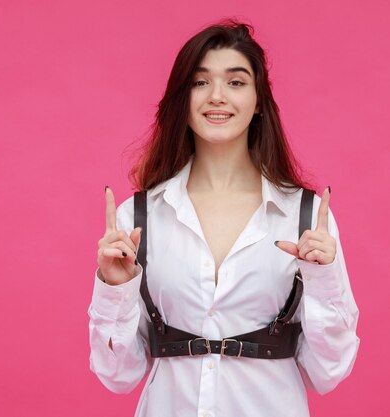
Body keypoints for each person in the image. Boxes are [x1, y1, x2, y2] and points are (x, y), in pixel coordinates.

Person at [88, 20, 359, 417]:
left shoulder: (305, 217)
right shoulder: (138, 218)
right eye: (200, 83)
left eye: (235, 82)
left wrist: (324, 278)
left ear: (259, 100)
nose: (217, 97)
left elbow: (328, 372)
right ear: (182, 99)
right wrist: (114, 289)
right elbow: (119, 376)